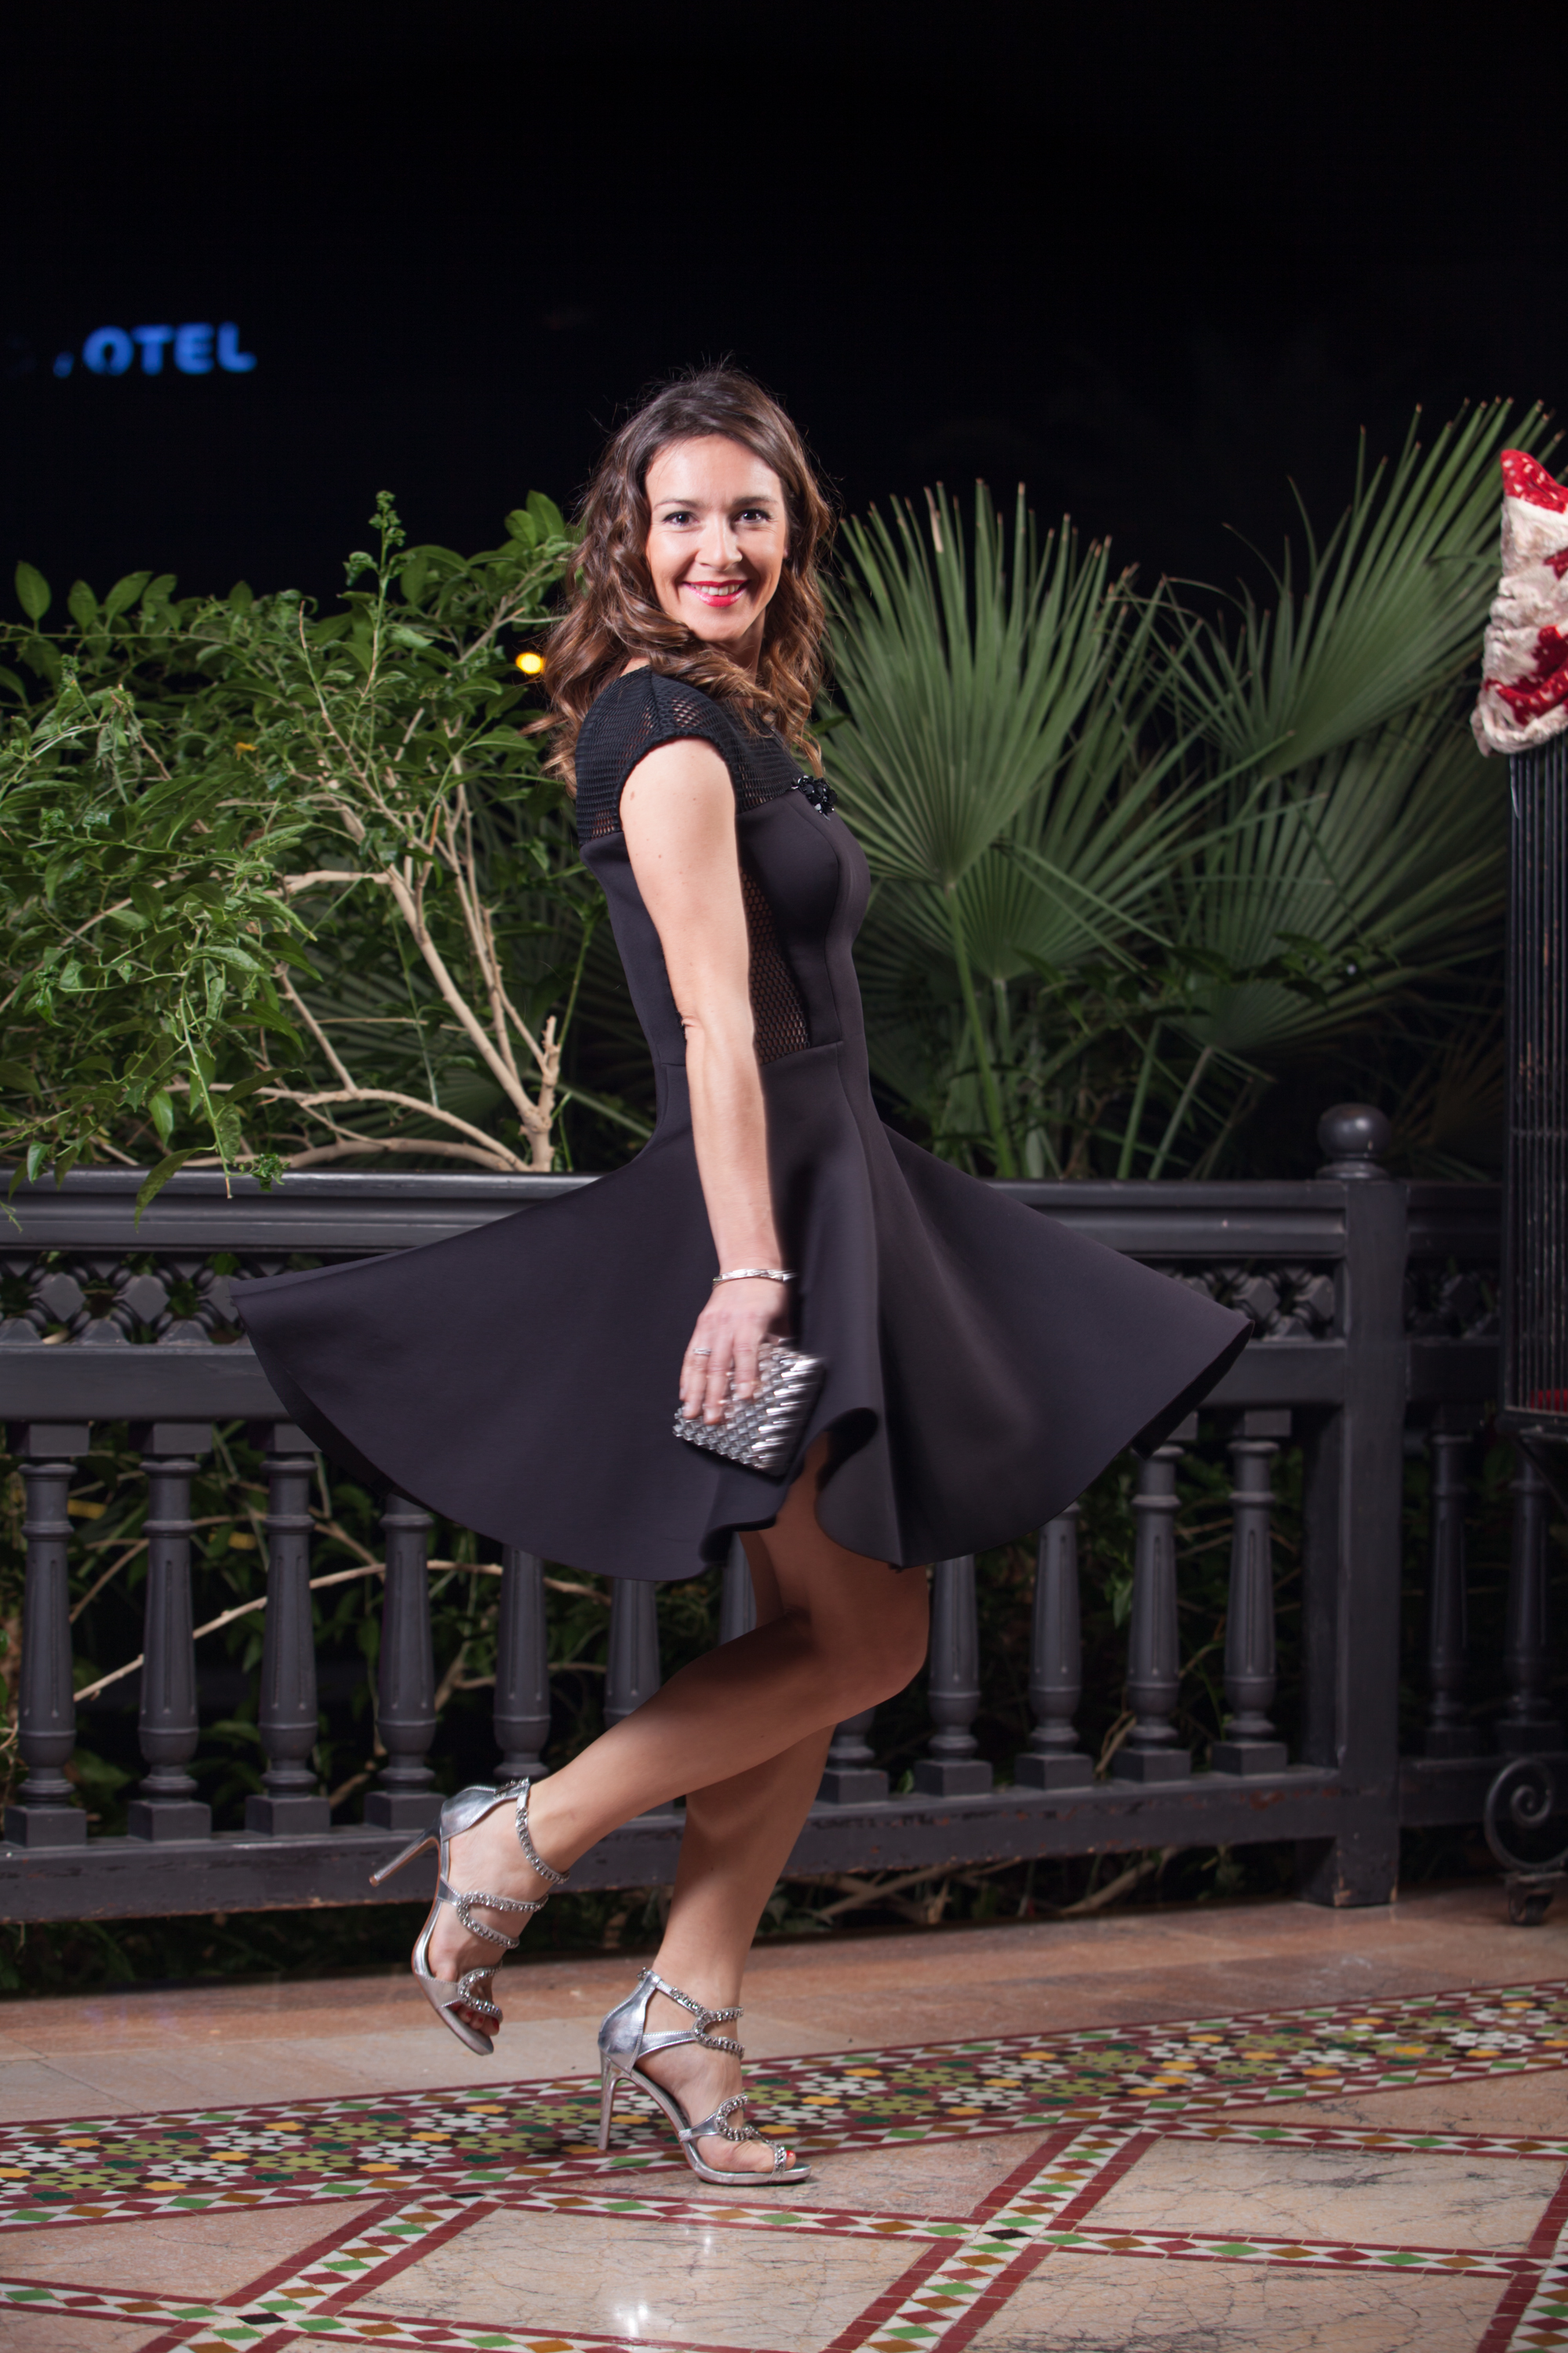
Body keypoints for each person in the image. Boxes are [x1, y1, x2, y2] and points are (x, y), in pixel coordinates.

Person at [232, 367, 1248, 2182]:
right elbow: (713, 1027)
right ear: (627, 540)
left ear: (793, 533)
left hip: (832, 1191)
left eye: (750, 514)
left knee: (825, 1635)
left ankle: (685, 2014)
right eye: (682, 516)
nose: (718, 547)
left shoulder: (727, 718)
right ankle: (514, 1840)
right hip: (769, 1217)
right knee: (863, 1635)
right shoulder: (662, 729)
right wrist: (752, 1271)